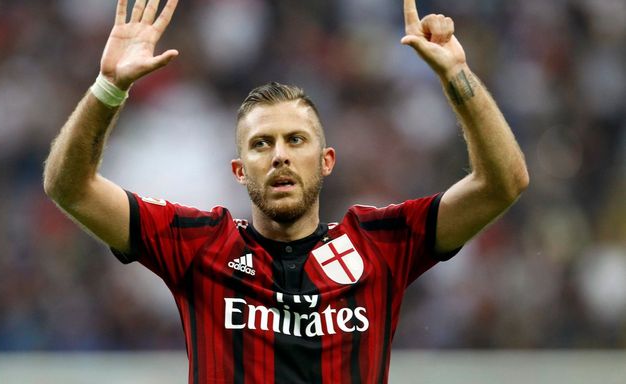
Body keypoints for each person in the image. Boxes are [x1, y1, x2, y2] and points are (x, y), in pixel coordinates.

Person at [43, 0, 529, 382]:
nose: (279, 155)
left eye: (295, 140)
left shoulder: (380, 245)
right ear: (238, 170)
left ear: (326, 161)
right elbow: (70, 188)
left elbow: (502, 184)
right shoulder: (197, 244)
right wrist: (108, 89)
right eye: (261, 144)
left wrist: (456, 76)